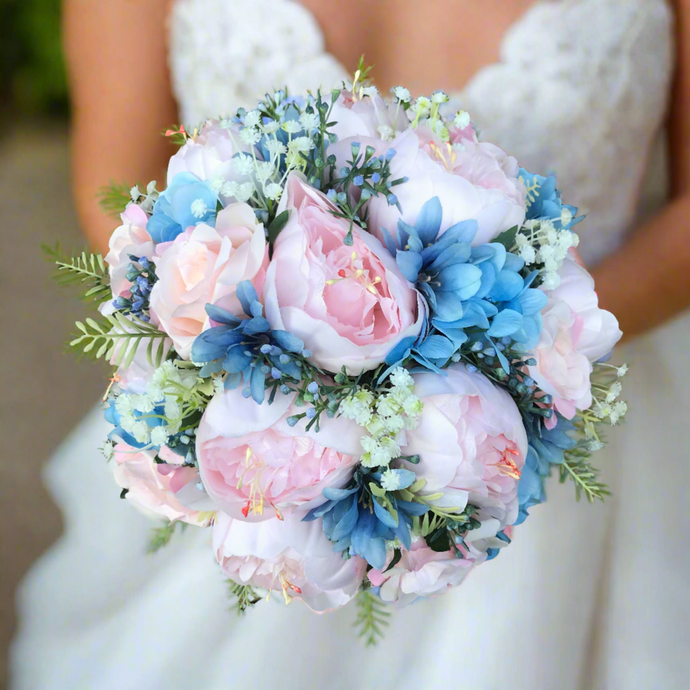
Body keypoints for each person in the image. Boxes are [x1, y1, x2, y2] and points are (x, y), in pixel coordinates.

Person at [10, 0, 689, 688]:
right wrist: (297, 372)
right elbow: (116, 190)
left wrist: (499, 367)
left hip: (569, 423)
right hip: (258, 442)